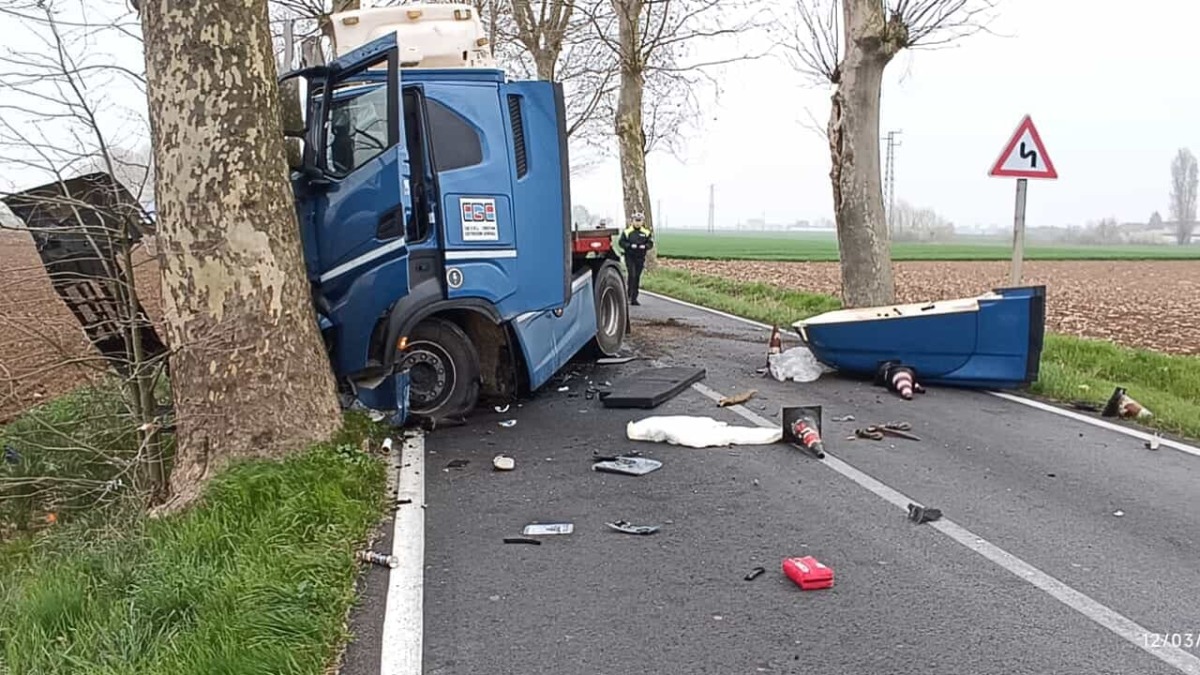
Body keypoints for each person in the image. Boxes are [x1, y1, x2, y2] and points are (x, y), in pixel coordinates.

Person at [618, 211, 653, 305]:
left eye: (639, 220)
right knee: (632, 275)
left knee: (637, 277)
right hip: (630, 256)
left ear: (642, 221)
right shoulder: (627, 232)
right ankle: (629, 294)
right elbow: (621, 242)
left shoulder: (646, 232)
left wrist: (645, 246)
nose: (637, 222)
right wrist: (629, 245)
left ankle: (634, 298)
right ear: (632, 221)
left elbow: (650, 243)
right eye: (636, 220)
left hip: (640, 257)